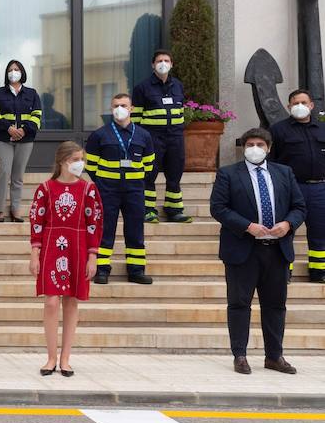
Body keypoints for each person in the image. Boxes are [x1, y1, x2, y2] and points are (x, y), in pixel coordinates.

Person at [209, 127, 305, 375]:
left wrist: (288, 224)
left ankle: (274, 356)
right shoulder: (228, 173)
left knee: (275, 305)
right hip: (243, 249)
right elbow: (218, 208)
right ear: (244, 148)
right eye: (250, 144)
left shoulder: (284, 173)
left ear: (269, 148)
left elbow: (299, 206)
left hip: (277, 250)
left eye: (260, 144)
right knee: (239, 304)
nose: (255, 148)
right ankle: (240, 355)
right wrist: (247, 226)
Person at [28, 141, 103, 377]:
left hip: (78, 247)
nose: (79, 164)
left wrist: (93, 256)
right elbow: (36, 221)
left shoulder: (88, 189)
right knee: (51, 302)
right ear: (62, 162)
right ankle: (50, 357)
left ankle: (65, 358)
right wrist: (34, 253)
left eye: (82, 159)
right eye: (75, 159)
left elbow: (95, 223)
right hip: (52, 246)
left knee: (71, 301)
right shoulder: (46, 188)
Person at [84, 93, 156, 285]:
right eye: (116, 105)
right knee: (105, 230)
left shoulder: (143, 135)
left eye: (124, 105)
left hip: (134, 191)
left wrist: (135, 182)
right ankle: (101, 270)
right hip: (107, 191)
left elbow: (149, 166)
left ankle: (136, 271)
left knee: (135, 230)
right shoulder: (99, 135)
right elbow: (91, 167)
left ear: (131, 108)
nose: (119, 109)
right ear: (111, 109)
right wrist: (104, 182)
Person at [269, 89, 325, 283]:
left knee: (320, 231)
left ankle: (319, 272)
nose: (299, 106)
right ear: (289, 106)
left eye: (304, 102)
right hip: (291, 189)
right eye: (295, 103)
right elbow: (272, 162)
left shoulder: (322, 129)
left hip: (319, 189)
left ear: (311, 105)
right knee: (286, 231)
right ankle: (285, 271)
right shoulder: (278, 130)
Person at [132, 49, 192, 223]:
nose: (163, 63)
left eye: (166, 60)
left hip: (175, 137)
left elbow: (180, 111)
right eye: (159, 60)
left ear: (172, 64)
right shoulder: (142, 88)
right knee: (149, 174)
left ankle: (174, 209)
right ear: (153, 65)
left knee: (175, 173)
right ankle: (148, 209)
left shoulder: (178, 86)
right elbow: (136, 119)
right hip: (152, 138)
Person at [0, 59, 42, 222]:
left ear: (22, 72)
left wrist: (24, 130)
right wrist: (9, 128)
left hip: (25, 140)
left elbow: (37, 116)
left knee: (18, 176)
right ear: (6, 74)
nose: (13, 72)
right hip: (3, 139)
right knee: (3, 173)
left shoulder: (32, 94)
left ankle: (15, 209)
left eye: (16, 69)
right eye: (10, 69)